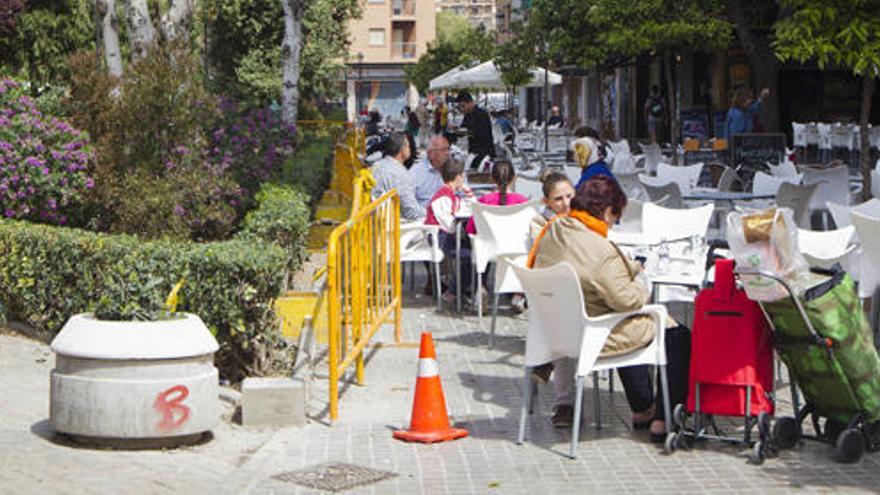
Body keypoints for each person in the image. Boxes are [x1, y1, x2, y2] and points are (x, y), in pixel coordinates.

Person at [527, 175, 691, 439]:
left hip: (556, 335)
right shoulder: (600, 249)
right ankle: (662, 418)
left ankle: (643, 408)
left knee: (627, 320)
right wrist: (641, 282)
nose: (615, 222)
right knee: (675, 334)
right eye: (616, 216)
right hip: (592, 335)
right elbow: (627, 300)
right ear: (605, 212)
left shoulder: (552, 232)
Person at [424, 158, 473, 304]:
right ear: (458, 177)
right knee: (468, 255)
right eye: (463, 176)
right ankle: (453, 291)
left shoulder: (451, 194)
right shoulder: (443, 197)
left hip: (448, 235)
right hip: (440, 237)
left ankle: (464, 288)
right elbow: (450, 226)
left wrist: (468, 195)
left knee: (472, 250)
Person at [370, 132, 425, 221]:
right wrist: (431, 213)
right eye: (408, 146)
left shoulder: (376, 165)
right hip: (390, 227)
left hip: (371, 222)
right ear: (402, 149)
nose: (410, 149)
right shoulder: (399, 173)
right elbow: (411, 212)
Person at [466, 159, 530, 235]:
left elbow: (470, 229)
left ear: (492, 178)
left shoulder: (485, 201)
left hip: (489, 245)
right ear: (514, 178)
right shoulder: (523, 202)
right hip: (518, 245)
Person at [410, 134, 452, 209]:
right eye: (443, 150)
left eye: (448, 149)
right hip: (425, 216)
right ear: (431, 154)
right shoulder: (416, 173)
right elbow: (409, 203)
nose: (448, 153)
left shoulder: (454, 169)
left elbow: (465, 196)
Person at [456, 91, 495, 169]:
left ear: (470, 103)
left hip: (485, 152)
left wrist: (469, 132)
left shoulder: (482, 114)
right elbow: (462, 129)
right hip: (473, 151)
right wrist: (456, 130)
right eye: (460, 107)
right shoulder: (467, 115)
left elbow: (483, 134)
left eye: (463, 106)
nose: (462, 109)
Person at [530, 171, 575, 238]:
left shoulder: (585, 216)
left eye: (569, 196)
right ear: (546, 201)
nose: (566, 203)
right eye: (558, 199)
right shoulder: (539, 224)